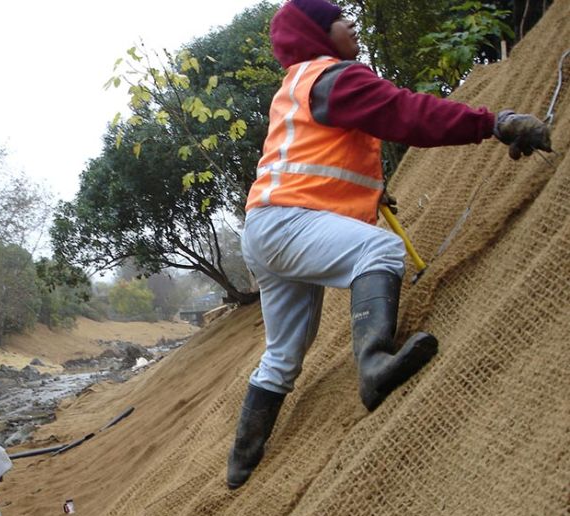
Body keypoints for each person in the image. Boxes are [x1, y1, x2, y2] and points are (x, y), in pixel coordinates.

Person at [227, 0, 552, 490]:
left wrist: (366, 192)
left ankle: (240, 464)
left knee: (284, 353)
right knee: (378, 252)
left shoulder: (297, 85)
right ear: (319, 33)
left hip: (268, 228)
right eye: (340, 19)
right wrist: (492, 123)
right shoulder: (335, 77)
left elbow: (317, 161)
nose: (351, 24)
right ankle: (375, 365)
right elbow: (408, 115)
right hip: (289, 223)